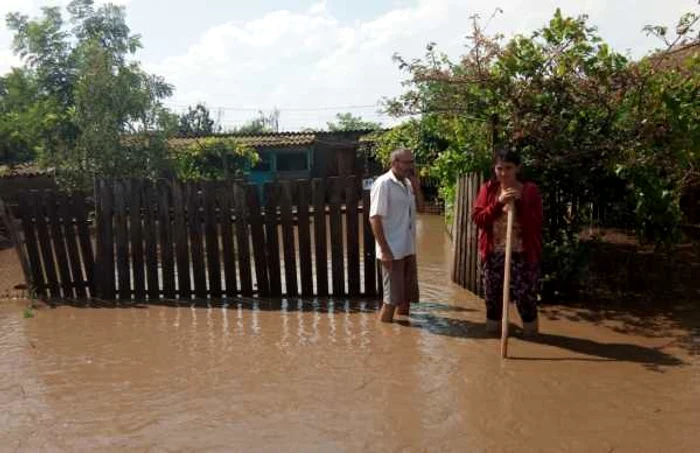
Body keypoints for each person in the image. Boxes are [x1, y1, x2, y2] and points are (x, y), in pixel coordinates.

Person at [472, 147, 543, 336]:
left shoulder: (530, 191)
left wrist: (519, 203)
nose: (503, 173)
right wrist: (498, 203)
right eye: (499, 168)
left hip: (522, 255)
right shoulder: (488, 189)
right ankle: (492, 336)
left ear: (518, 168)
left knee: (526, 300)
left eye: (508, 168)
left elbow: (535, 225)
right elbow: (478, 219)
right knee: (493, 300)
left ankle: (532, 337)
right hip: (494, 253)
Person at [369, 148, 424, 323]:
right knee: (390, 301)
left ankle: (403, 338)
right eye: (407, 163)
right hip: (392, 250)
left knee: (406, 299)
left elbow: (422, 209)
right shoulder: (383, 184)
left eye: (412, 162)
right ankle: (385, 340)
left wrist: (416, 187)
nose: (411, 166)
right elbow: (375, 218)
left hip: (408, 248)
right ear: (394, 163)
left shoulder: (408, 184)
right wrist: (384, 251)